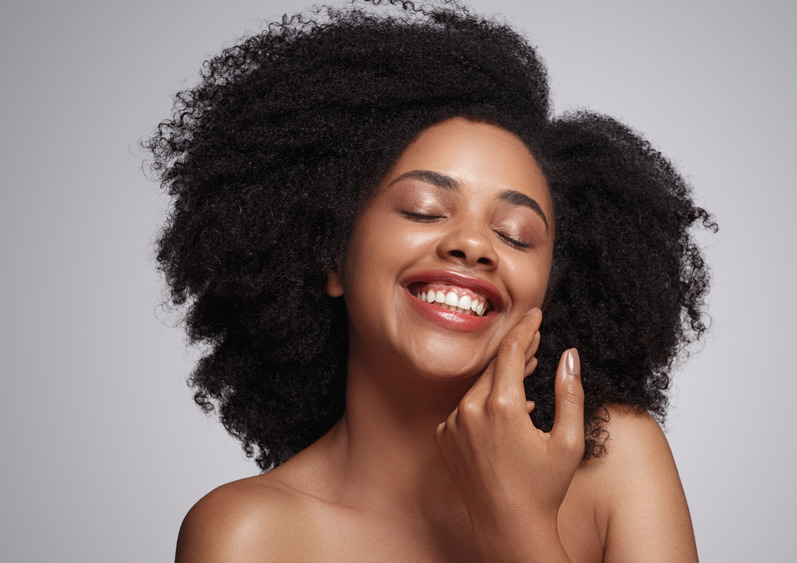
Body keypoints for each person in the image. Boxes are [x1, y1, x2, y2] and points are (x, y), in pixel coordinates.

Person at [147, 1, 715, 560]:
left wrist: (519, 523)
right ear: (332, 256)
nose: (472, 244)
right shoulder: (249, 535)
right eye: (422, 209)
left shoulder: (616, 463)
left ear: (550, 292)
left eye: (516, 235)